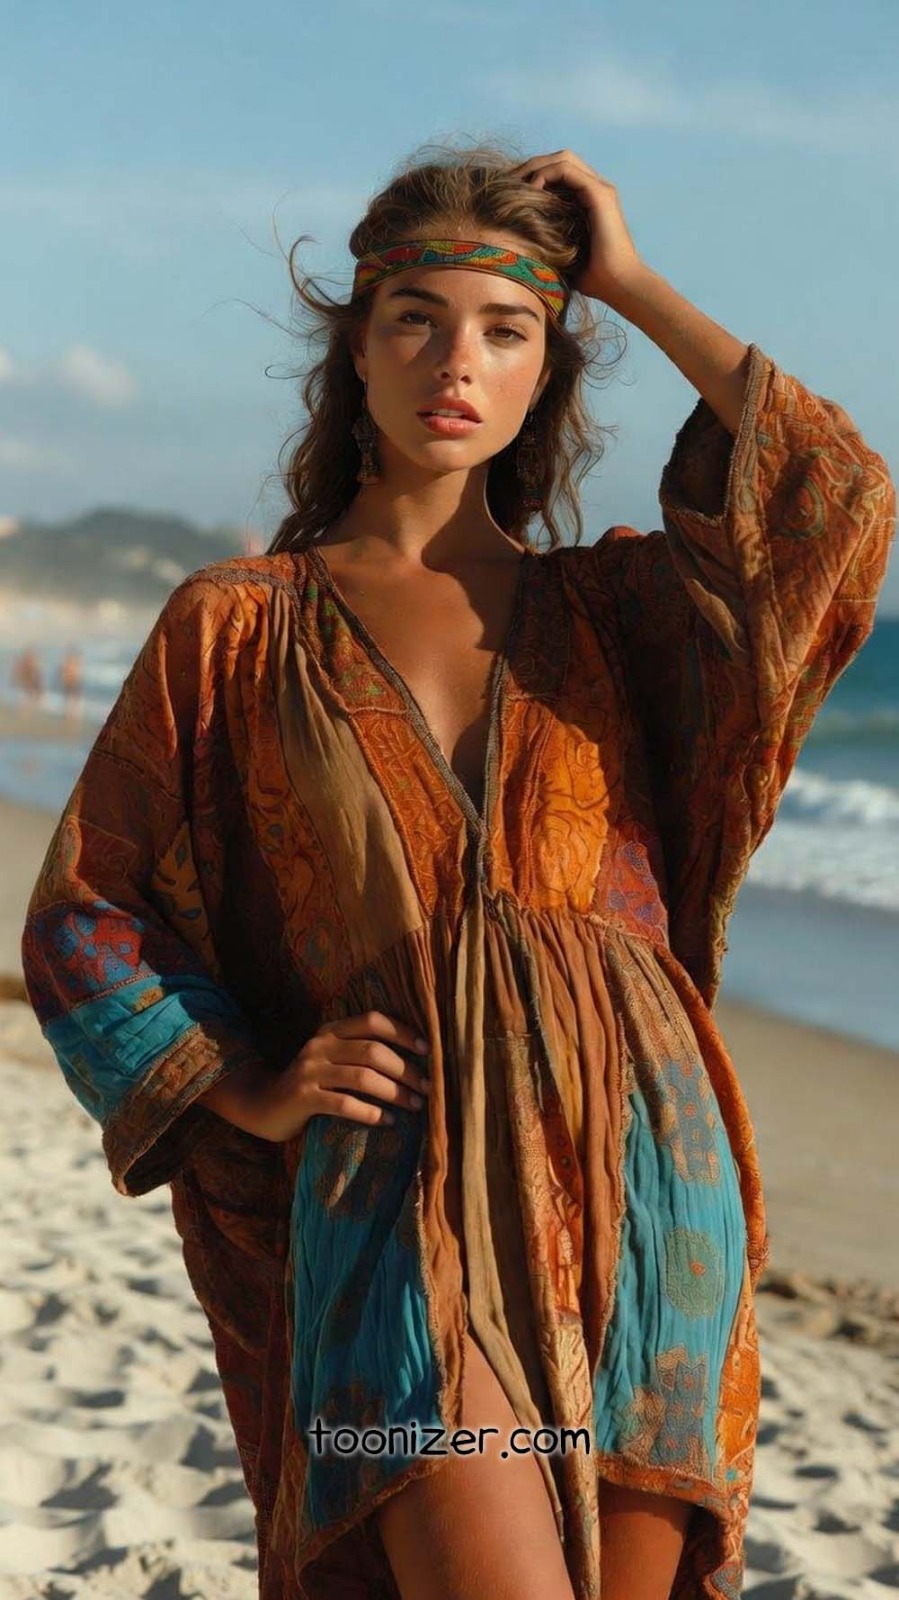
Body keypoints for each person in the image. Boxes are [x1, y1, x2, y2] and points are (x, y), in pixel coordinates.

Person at [21, 142, 895, 1600]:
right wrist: (241, 1082)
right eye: (417, 318)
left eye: (510, 331)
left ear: (548, 369)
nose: (458, 361)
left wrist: (626, 280)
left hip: (645, 1163)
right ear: (354, 344)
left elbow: (834, 509)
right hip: (394, 1172)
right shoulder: (239, 624)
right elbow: (90, 912)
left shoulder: (623, 609)